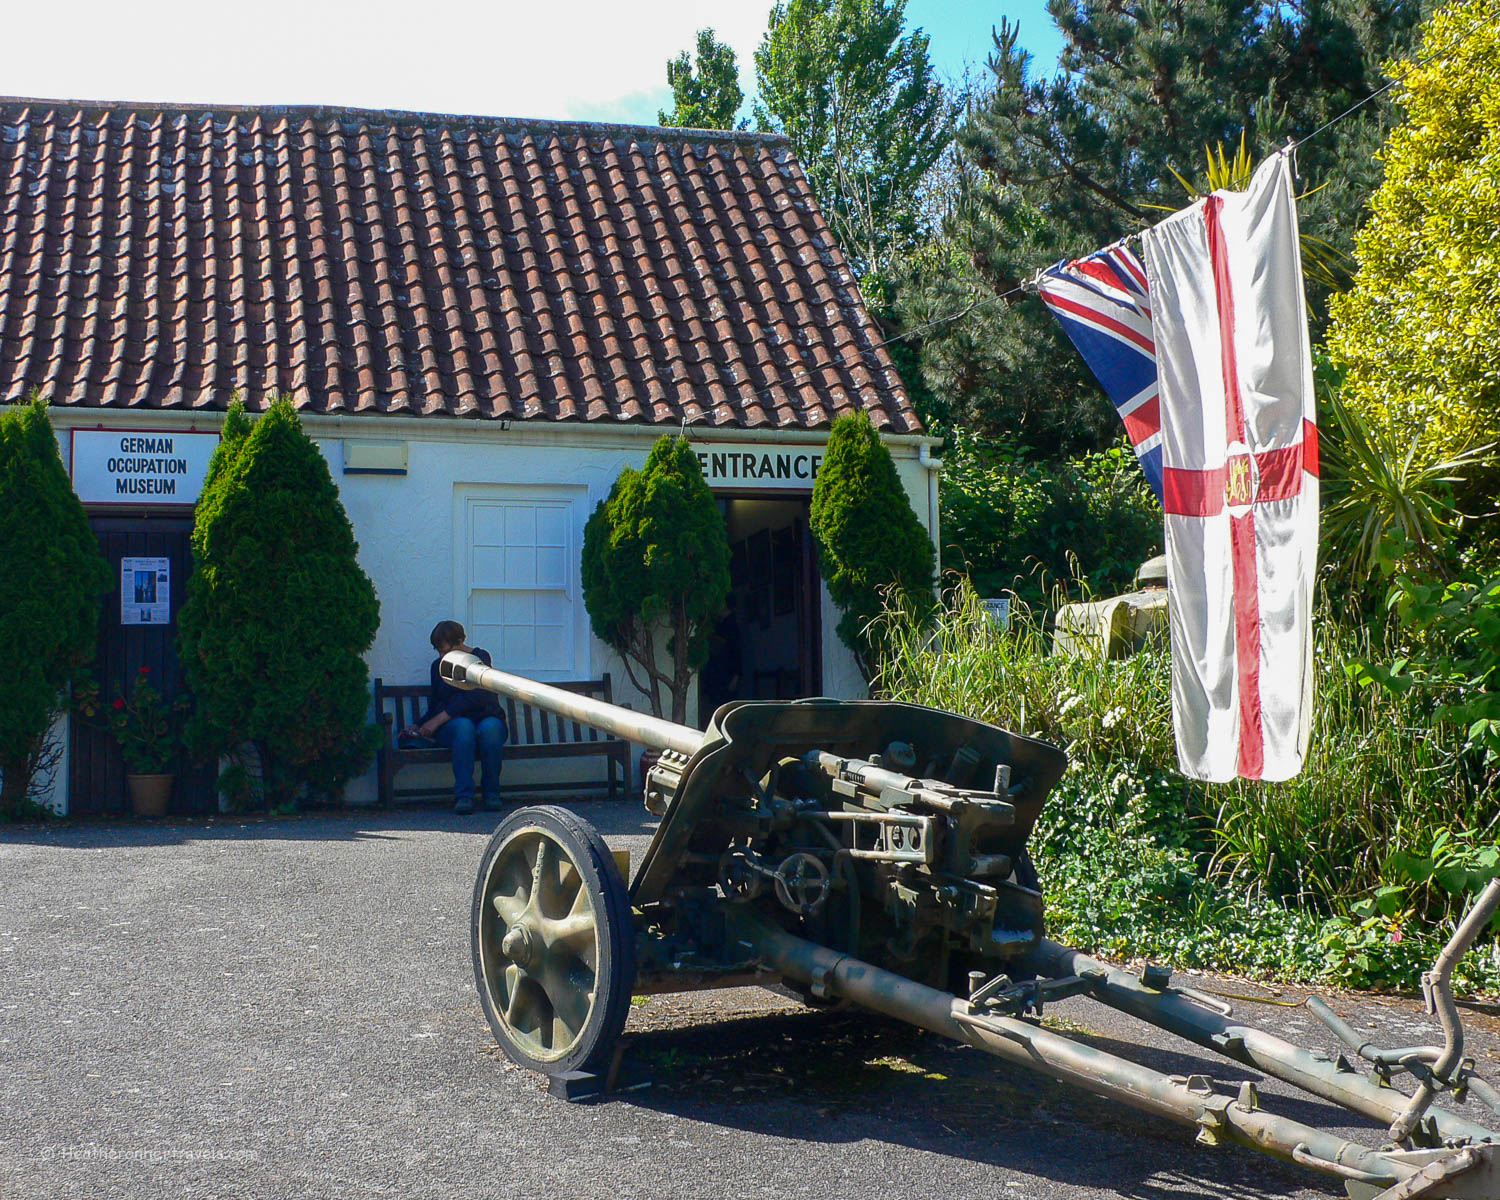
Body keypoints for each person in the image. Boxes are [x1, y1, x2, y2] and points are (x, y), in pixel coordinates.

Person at [400, 620, 508, 814]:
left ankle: (492, 794)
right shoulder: (438, 667)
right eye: (439, 652)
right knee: (464, 728)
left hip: (486, 716)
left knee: (490, 729)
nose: (442, 656)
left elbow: (477, 696)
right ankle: (464, 796)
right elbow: (435, 704)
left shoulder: (480, 658)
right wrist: (419, 725)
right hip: (455, 726)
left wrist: (439, 719)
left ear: (460, 642)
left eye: (445, 651)